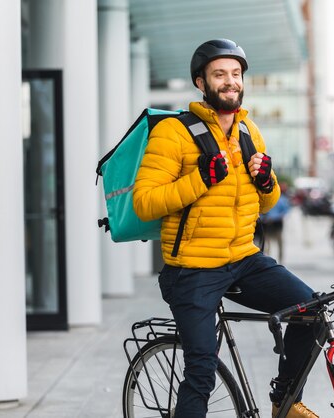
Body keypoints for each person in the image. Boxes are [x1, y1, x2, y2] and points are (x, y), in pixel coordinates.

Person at [133, 39, 320, 418]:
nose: (230, 81)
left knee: (311, 312)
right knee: (201, 370)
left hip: (242, 258)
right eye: (220, 74)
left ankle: (284, 401)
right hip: (192, 268)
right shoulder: (174, 133)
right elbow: (145, 202)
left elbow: (264, 203)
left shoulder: (248, 130)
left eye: (236, 74)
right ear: (201, 82)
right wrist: (201, 178)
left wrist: (267, 182)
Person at [261, 182, 291, 262]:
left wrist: (275, 217)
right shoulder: (264, 197)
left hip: (277, 224)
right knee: (266, 244)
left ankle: (281, 260)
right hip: (267, 225)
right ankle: (267, 260)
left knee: (280, 243)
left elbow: (285, 211)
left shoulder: (282, 199)